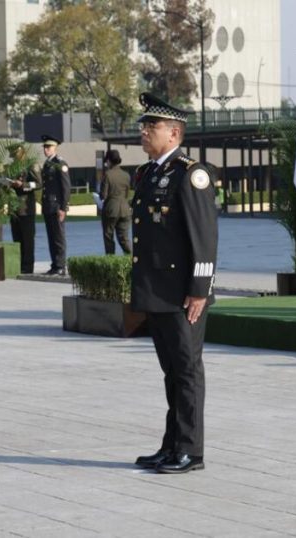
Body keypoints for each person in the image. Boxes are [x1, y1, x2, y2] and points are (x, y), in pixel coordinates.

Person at [130, 93, 218, 475]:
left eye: (153, 127)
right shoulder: (149, 172)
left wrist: (199, 289)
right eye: (144, 126)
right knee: (171, 373)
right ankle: (171, 445)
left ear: (175, 132)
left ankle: (190, 450)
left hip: (184, 294)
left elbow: (204, 236)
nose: (145, 132)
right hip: (158, 291)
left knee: (187, 372)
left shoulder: (191, 174)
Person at [40, 135, 70, 275]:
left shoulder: (60, 163)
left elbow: (65, 187)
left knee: (58, 237)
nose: (46, 150)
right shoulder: (47, 164)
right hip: (48, 206)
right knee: (51, 237)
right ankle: (54, 264)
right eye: (45, 147)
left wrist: (63, 208)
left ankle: (61, 265)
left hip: (57, 206)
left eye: (49, 147)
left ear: (55, 148)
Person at [9, 143, 39, 274]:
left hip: (26, 208)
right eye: (13, 154)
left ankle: (27, 267)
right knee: (17, 238)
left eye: (17, 153)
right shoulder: (12, 167)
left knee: (27, 240)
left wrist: (23, 185)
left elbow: (38, 183)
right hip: (14, 208)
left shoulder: (31, 165)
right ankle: (19, 264)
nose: (15, 155)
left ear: (23, 153)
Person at [100, 149, 132, 255]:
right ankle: (132, 258)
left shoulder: (107, 175)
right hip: (125, 209)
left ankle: (111, 260)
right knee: (124, 238)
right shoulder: (126, 175)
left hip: (111, 210)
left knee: (108, 237)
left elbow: (103, 195)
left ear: (109, 161)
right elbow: (127, 194)